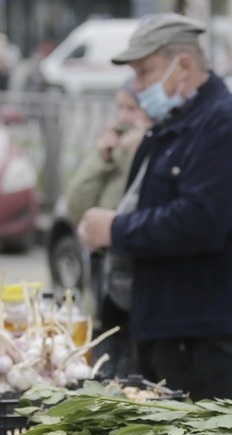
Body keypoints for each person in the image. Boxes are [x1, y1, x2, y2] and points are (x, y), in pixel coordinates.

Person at [76, 13, 232, 401]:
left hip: (202, 338)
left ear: (182, 65)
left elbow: (200, 222)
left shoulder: (227, 126)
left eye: (145, 72)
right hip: (166, 330)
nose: (137, 86)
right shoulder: (173, 124)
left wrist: (114, 230)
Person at [62, 80, 151, 378]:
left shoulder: (153, 153)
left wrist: (140, 155)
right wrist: (100, 159)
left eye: (132, 108)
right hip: (103, 295)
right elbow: (75, 208)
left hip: (136, 299)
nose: (123, 117)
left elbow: (138, 212)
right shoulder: (113, 154)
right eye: (120, 108)